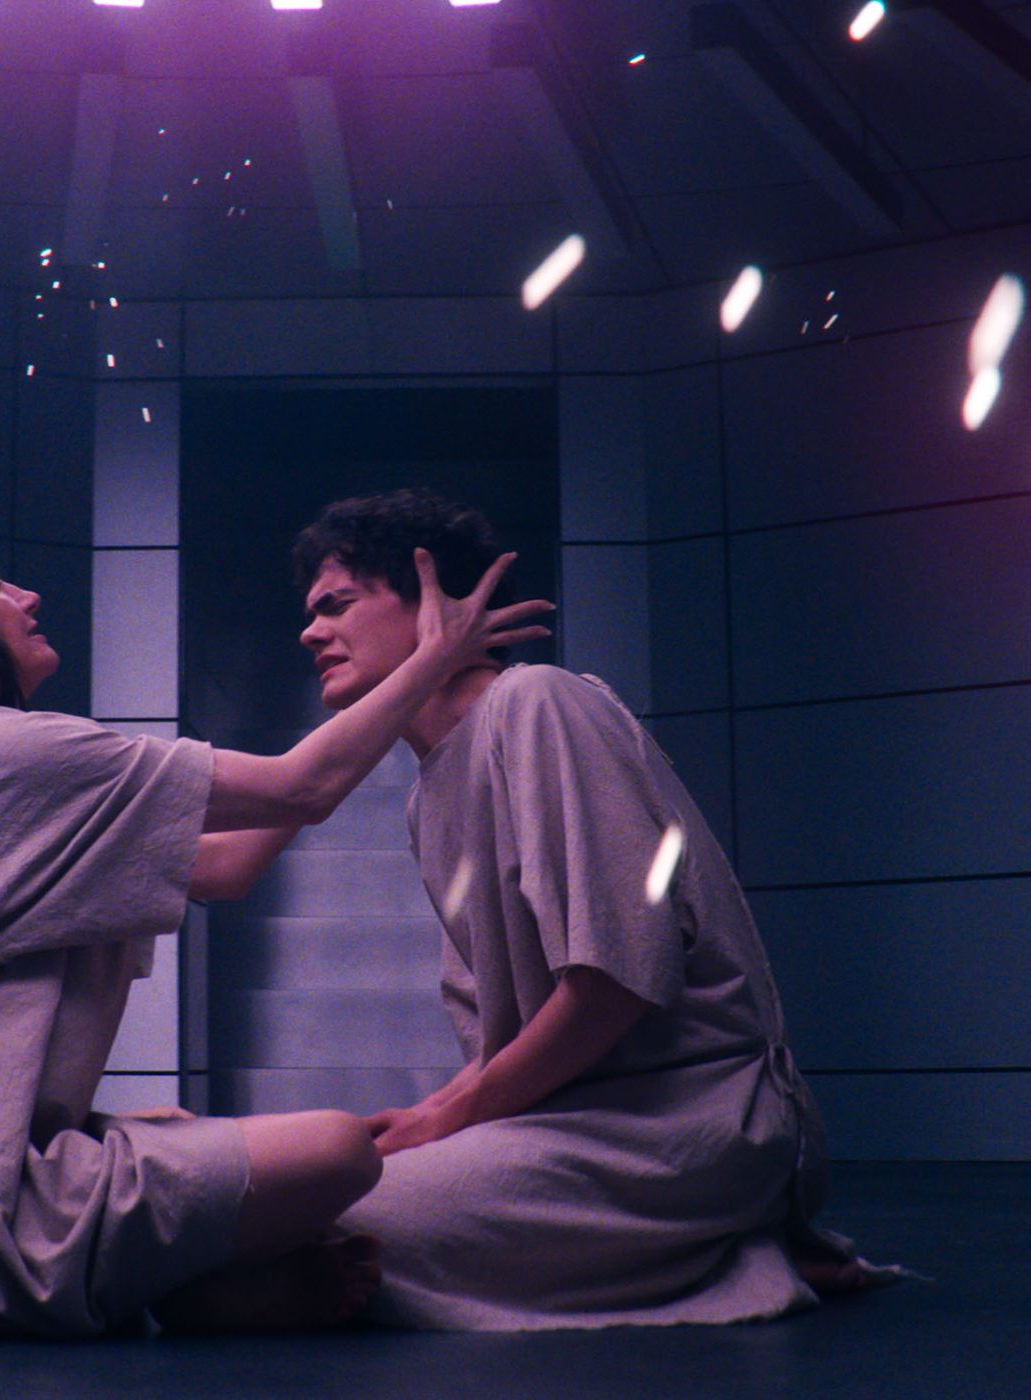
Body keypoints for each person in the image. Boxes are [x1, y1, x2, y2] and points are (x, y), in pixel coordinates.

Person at [0, 521, 551, 1338]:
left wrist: (379, 698)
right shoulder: (8, 752)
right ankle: (175, 1288)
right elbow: (302, 785)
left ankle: (187, 1284)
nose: (26, 597)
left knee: (181, 1125)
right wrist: (431, 659)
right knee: (339, 1151)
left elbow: (225, 867)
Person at [291, 488, 893, 1330]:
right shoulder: (428, 795)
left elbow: (616, 983)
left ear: (432, 599)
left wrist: (449, 1117)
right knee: (303, 1196)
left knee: (331, 1225)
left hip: (688, 1121)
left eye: (336, 604)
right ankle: (696, 1250)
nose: (310, 632)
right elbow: (508, 1030)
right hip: (565, 1117)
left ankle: (726, 1237)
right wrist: (434, 1111)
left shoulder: (537, 703)